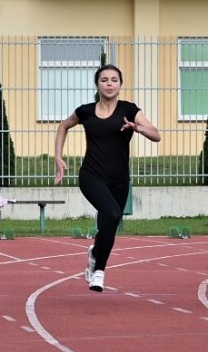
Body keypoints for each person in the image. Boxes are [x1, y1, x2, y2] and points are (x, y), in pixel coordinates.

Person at [54, 64, 160, 292]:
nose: (109, 84)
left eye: (114, 80)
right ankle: (99, 272)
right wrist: (58, 157)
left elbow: (156, 134)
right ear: (97, 84)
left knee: (108, 225)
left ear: (120, 85)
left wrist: (138, 128)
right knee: (112, 214)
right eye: (104, 80)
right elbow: (63, 126)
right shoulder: (86, 111)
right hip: (91, 175)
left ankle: (95, 253)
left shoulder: (129, 110)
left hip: (119, 180)